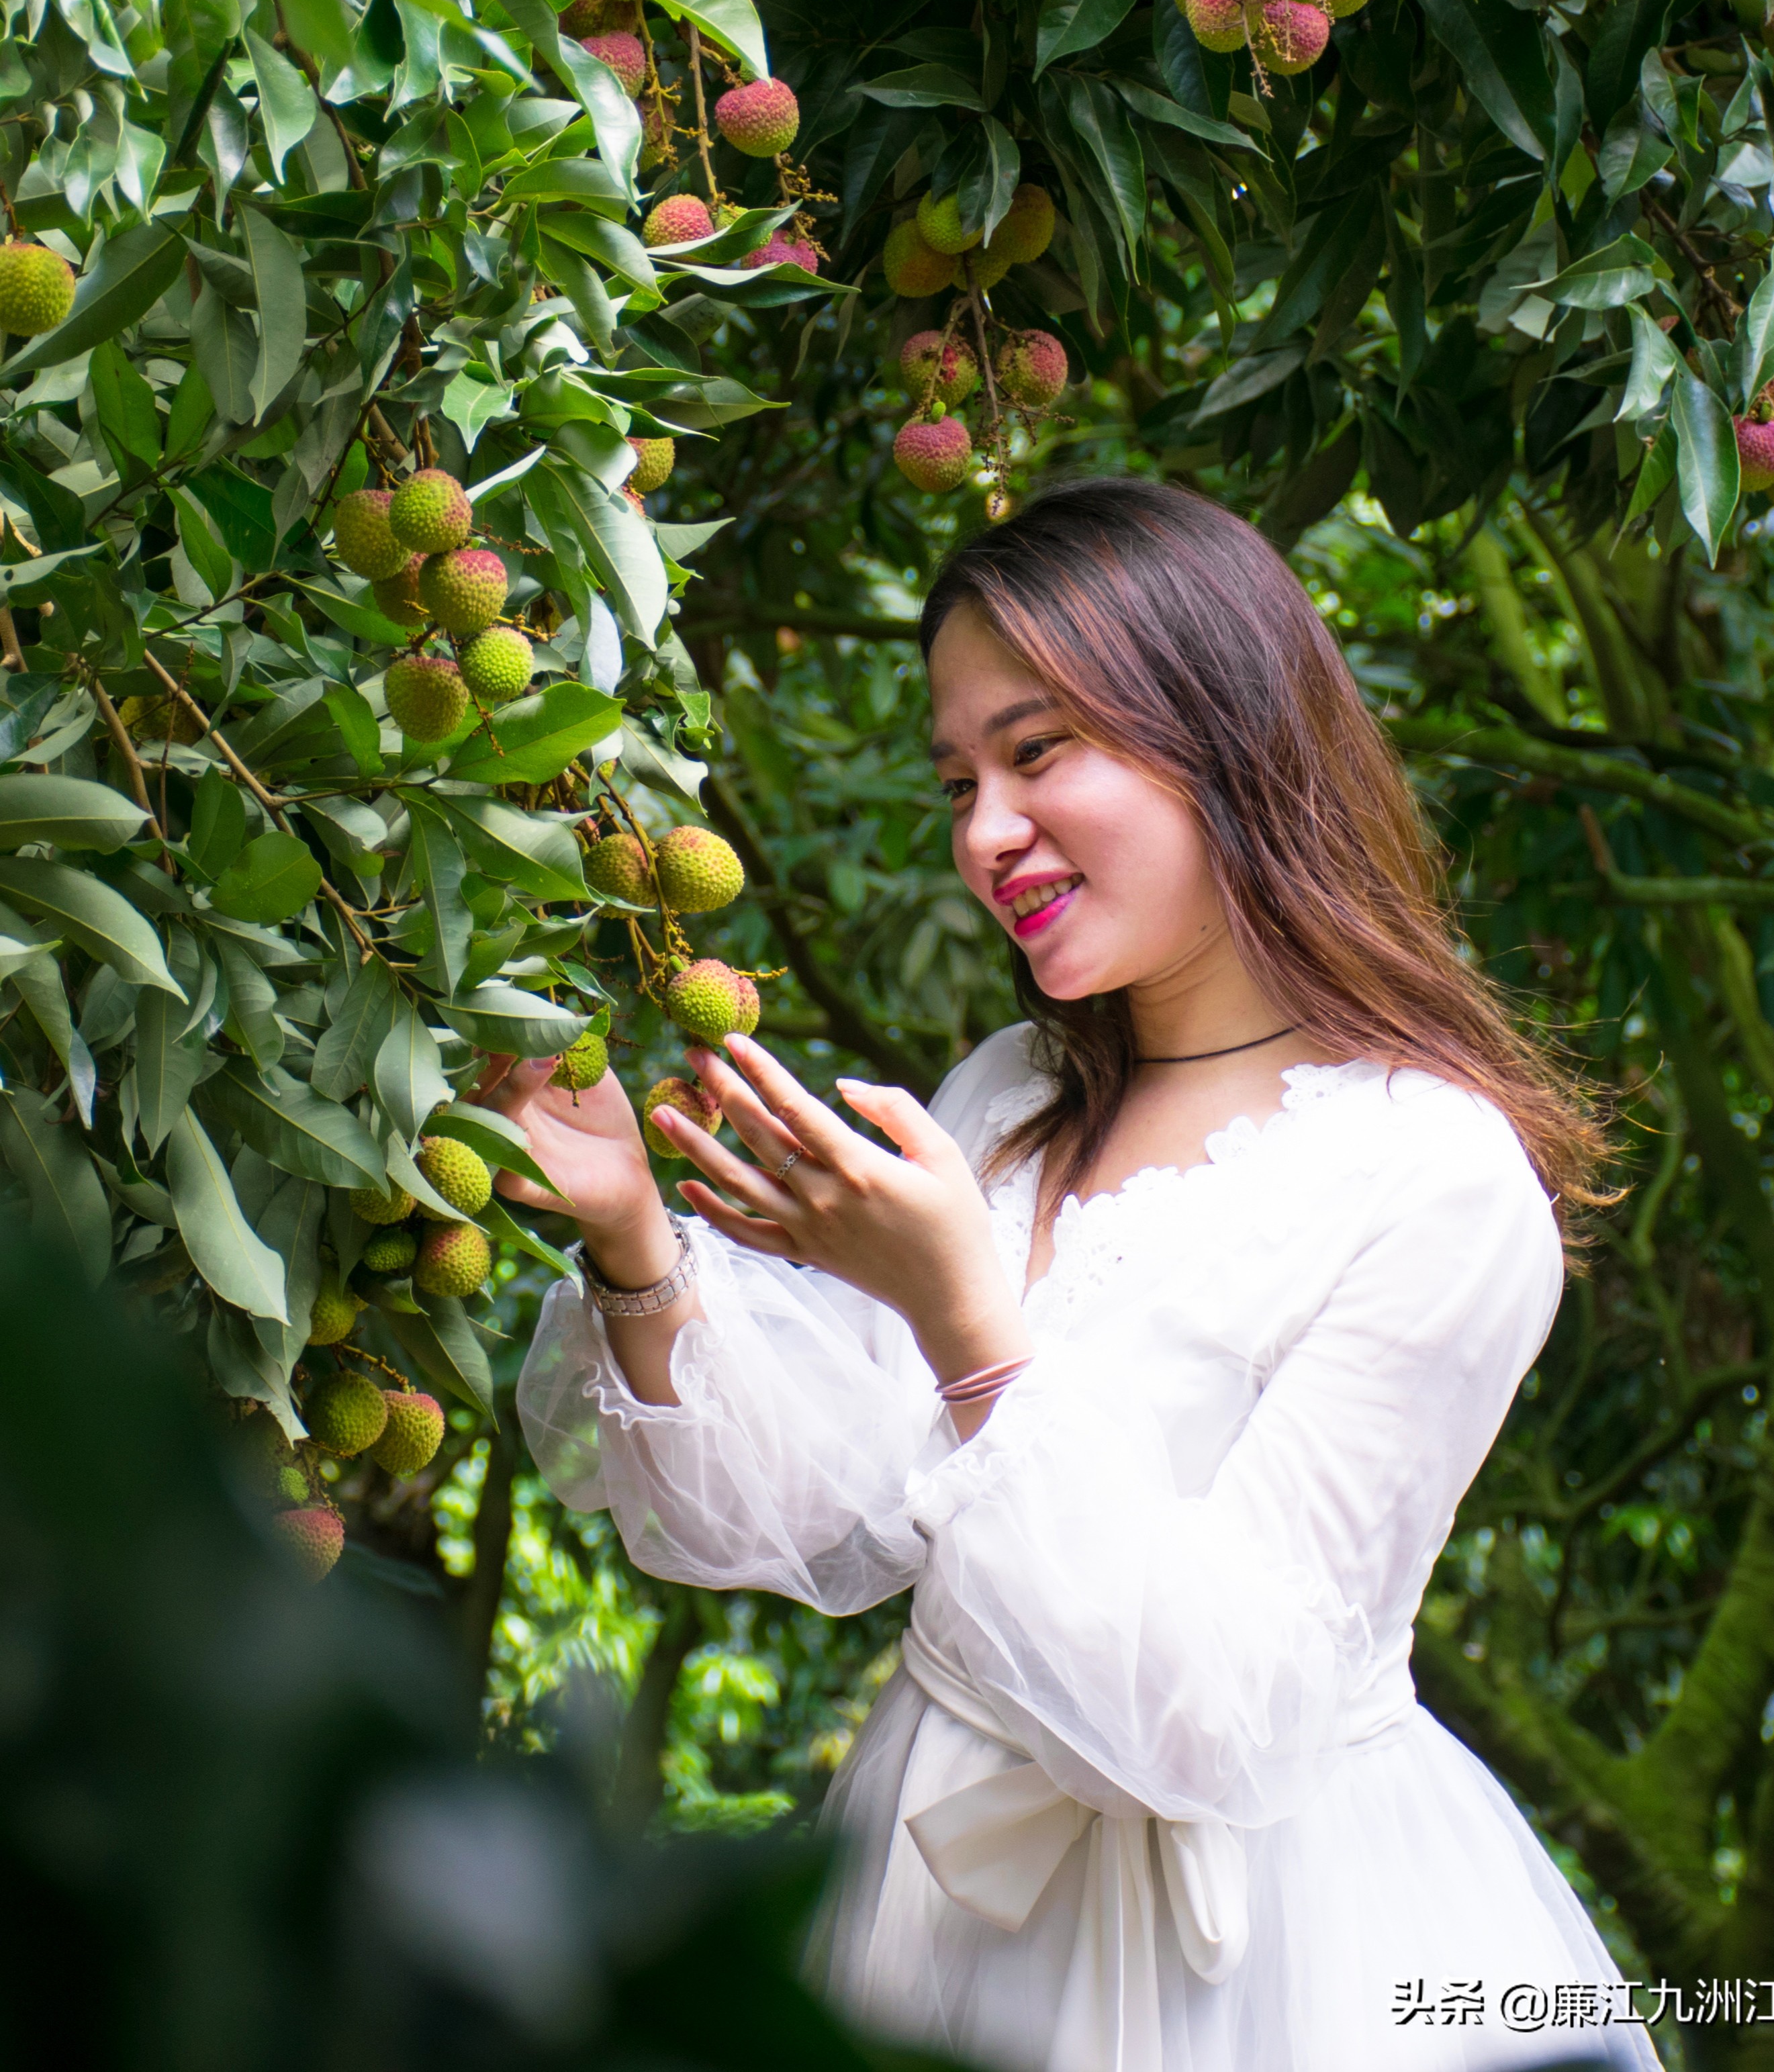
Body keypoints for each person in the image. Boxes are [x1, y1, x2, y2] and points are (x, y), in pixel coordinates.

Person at [509, 477, 1661, 2072]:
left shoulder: (1434, 1176)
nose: (987, 831)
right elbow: (789, 1519)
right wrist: (632, 1237)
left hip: (1270, 1953)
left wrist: (971, 1333)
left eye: (1039, 752)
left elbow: (1215, 1718)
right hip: (937, 1906)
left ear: (1223, 729)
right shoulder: (1011, 1102)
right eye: (957, 778)